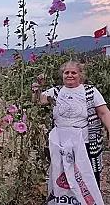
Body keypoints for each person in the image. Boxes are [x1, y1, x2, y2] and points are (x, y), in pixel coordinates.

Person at [32, 60, 110, 190]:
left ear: (81, 75)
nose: (70, 75)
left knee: (88, 174)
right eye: (66, 72)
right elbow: (38, 101)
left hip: (85, 143)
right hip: (62, 143)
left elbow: (104, 113)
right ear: (62, 74)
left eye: (73, 72)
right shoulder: (56, 91)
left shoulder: (90, 91)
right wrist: (37, 88)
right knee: (63, 175)